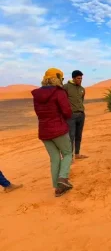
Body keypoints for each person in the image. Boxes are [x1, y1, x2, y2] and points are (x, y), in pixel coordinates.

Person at [31, 68, 73, 197]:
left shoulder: (37, 94)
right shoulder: (59, 92)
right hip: (59, 129)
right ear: (58, 78)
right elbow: (67, 111)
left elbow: (39, 113)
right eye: (62, 79)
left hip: (44, 131)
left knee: (54, 159)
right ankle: (63, 178)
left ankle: (58, 188)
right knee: (67, 154)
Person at [63, 70, 88, 160]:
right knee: (71, 136)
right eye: (78, 78)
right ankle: (69, 157)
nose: (80, 80)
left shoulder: (82, 89)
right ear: (73, 78)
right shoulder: (66, 87)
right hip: (71, 116)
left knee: (79, 135)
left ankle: (77, 154)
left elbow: (81, 100)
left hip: (81, 115)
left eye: (81, 78)